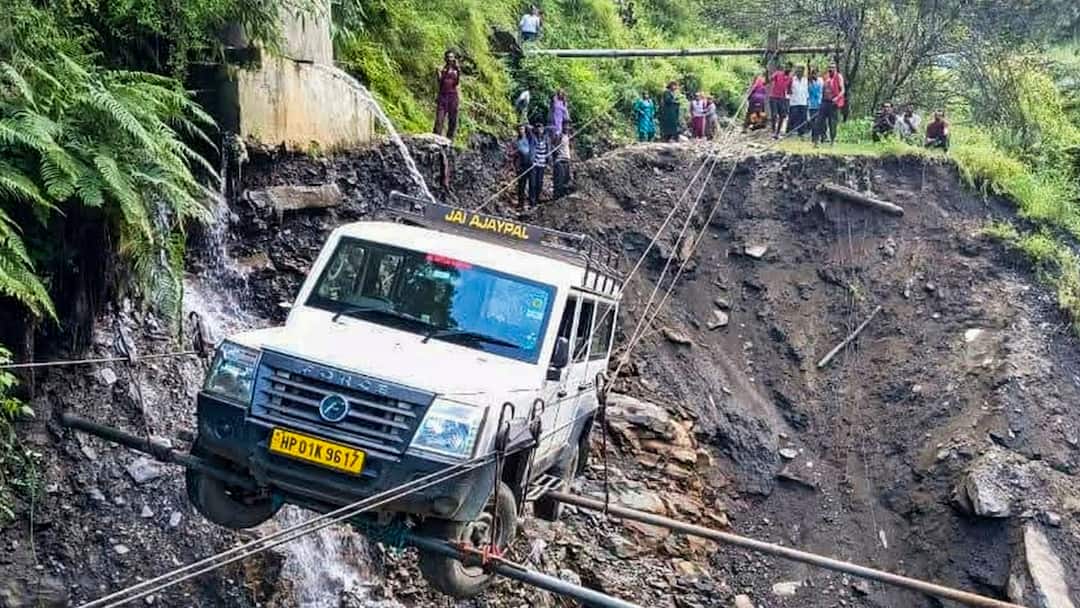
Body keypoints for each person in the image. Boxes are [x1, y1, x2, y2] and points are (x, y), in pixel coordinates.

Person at [814, 62, 845, 145]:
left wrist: (837, 98)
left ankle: (832, 140)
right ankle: (817, 140)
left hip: (833, 103)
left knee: (832, 123)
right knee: (819, 121)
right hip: (824, 102)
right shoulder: (826, 77)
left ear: (835, 69)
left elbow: (842, 90)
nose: (831, 69)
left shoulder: (838, 76)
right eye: (829, 68)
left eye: (833, 68)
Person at [433, 50, 461, 140]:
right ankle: (436, 137)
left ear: (454, 59)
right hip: (443, 96)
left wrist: (457, 71)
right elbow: (440, 82)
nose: (450, 59)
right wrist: (438, 73)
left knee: (453, 119)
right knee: (439, 119)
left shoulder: (456, 70)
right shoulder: (441, 69)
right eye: (448, 57)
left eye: (452, 57)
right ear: (445, 58)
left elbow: (456, 83)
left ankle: (450, 139)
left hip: (453, 96)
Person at [768, 64, 792, 139]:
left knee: (782, 115)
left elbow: (789, 90)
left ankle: (777, 132)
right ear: (784, 68)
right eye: (786, 67)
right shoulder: (777, 73)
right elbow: (769, 80)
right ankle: (773, 131)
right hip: (773, 96)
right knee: (774, 114)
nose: (787, 69)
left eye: (789, 68)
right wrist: (766, 73)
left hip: (782, 98)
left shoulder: (790, 78)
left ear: (791, 69)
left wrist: (790, 93)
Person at [528, 125, 550, 205]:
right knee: (532, 183)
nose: (540, 129)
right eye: (538, 128)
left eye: (541, 128)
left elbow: (552, 128)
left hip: (542, 164)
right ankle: (532, 201)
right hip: (534, 164)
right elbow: (527, 127)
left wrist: (548, 161)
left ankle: (537, 199)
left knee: (539, 183)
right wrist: (531, 160)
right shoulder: (533, 138)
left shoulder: (546, 138)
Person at [513, 125, 533, 207]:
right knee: (521, 184)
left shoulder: (529, 138)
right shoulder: (517, 141)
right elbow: (515, 155)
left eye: (522, 129)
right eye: (519, 129)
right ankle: (520, 203)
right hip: (521, 164)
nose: (521, 131)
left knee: (532, 184)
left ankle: (531, 202)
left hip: (530, 163)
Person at [788, 65, 810, 137]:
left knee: (803, 118)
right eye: (798, 71)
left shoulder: (806, 80)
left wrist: (807, 100)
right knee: (793, 117)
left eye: (801, 71)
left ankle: (802, 132)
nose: (799, 72)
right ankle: (791, 131)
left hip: (803, 101)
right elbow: (788, 89)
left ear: (803, 72)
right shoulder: (792, 79)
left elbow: (807, 90)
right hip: (794, 102)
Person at [552, 124, 573, 198]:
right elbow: (553, 146)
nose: (567, 128)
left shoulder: (568, 136)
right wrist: (556, 153)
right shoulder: (559, 136)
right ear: (563, 127)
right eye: (565, 127)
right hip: (560, 160)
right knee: (559, 179)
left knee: (566, 179)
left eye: (568, 127)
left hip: (566, 160)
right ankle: (557, 196)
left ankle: (563, 196)